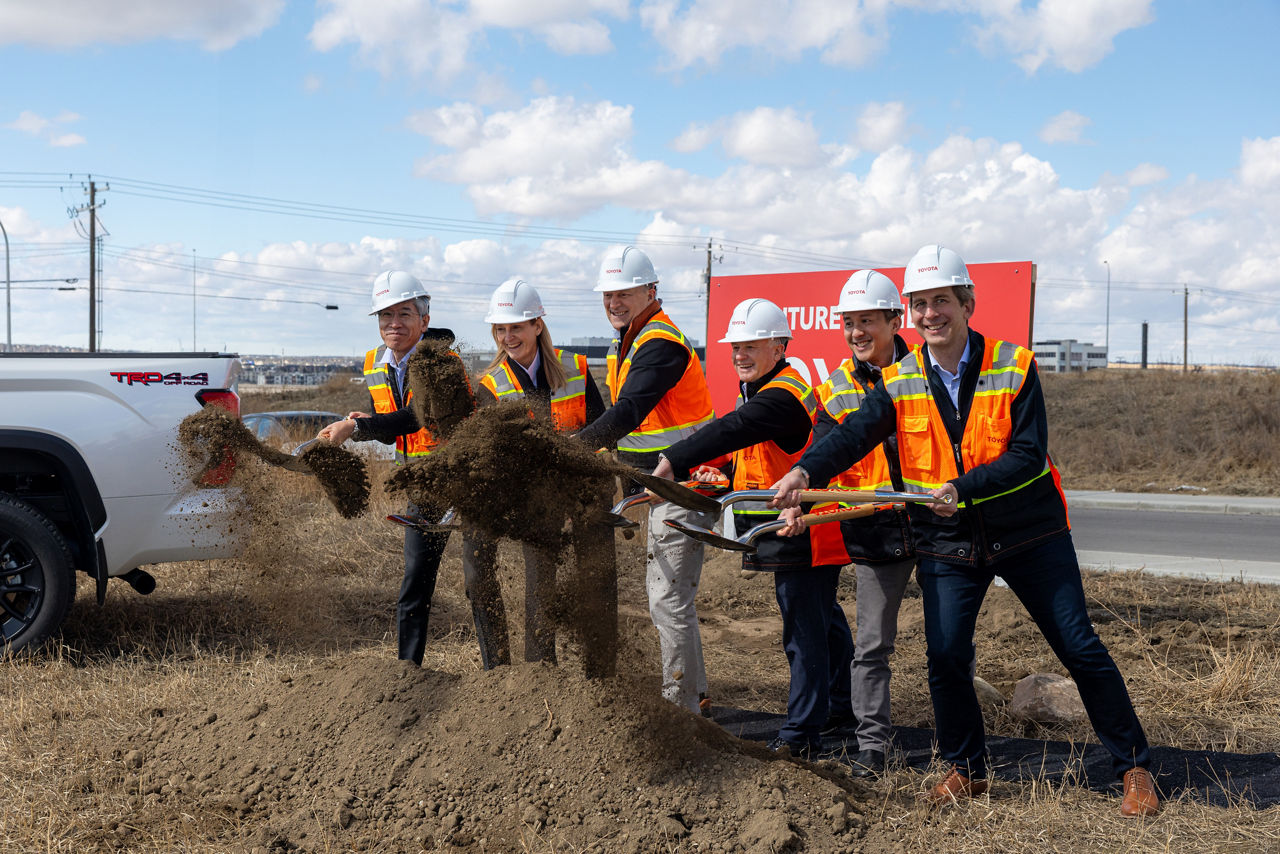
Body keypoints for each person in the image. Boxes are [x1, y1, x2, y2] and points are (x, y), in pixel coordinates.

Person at [771, 245, 1159, 816]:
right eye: (920, 304)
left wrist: (962, 488)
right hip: (950, 543)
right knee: (947, 656)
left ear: (967, 303)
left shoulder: (1014, 365)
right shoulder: (902, 378)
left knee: (1079, 647)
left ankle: (1133, 768)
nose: (932, 314)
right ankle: (966, 768)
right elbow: (852, 434)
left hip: (1030, 534)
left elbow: (1028, 455)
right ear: (909, 313)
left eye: (942, 301)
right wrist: (806, 471)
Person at [653, 297, 854, 759]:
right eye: (735, 346)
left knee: (803, 634)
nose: (739, 354)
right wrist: (717, 474)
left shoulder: (782, 396)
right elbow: (751, 453)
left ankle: (802, 733)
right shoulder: (766, 388)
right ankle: (841, 706)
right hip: (795, 525)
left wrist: (675, 458)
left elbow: (734, 429)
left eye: (751, 345)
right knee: (825, 625)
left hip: (803, 528)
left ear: (780, 346)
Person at [575, 245, 717, 716]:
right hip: (660, 487)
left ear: (651, 292)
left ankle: (679, 709)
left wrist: (574, 447)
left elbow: (629, 411)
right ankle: (693, 696)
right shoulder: (632, 337)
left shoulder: (658, 343)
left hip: (681, 485)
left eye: (625, 293)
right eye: (608, 294)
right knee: (671, 599)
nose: (614, 301)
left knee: (666, 600)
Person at [789, 269, 916, 778]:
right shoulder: (836, 388)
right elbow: (822, 453)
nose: (857, 331)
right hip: (873, 528)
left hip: (936, 524)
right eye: (849, 322)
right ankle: (871, 750)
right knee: (871, 647)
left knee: (952, 644)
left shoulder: (926, 372)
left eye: (867, 320)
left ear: (893, 320)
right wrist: (799, 502)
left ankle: (958, 744)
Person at [318, 270, 473, 666]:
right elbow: (396, 428)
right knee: (415, 583)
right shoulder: (375, 363)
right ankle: (408, 673)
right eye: (385, 316)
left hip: (465, 476)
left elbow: (417, 416)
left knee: (478, 580)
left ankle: (496, 675)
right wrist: (369, 423)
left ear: (424, 318)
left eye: (404, 313)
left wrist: (358, 427)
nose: (394, 324)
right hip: (422, 483)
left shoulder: (443, 361)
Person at [464, 277, 613, 675]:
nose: (508, 336)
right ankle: (540, 676)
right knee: (540, 586)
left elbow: (602, 428)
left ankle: (602, 675)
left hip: (584, 489)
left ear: (537, 325)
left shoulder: (575, 368)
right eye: (501, 329)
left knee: (598, 578)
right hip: (535, 499)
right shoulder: (490, 385)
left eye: (516, 327)